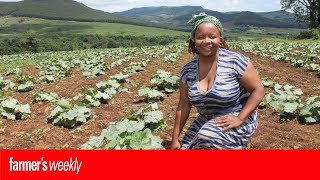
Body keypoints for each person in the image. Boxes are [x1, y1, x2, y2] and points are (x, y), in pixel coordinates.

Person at [171, 12, 265, 149]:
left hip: (237, 115)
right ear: (194, 40)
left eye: (212, 37)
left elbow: (259, 90)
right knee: (186, 148)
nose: (206, 41)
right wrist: (175, 139)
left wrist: (239, 118)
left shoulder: (235, 61)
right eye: (200, 37)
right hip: (207, 118)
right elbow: (183, 105)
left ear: (220, 39)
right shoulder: (188, 70)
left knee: (207, 137)